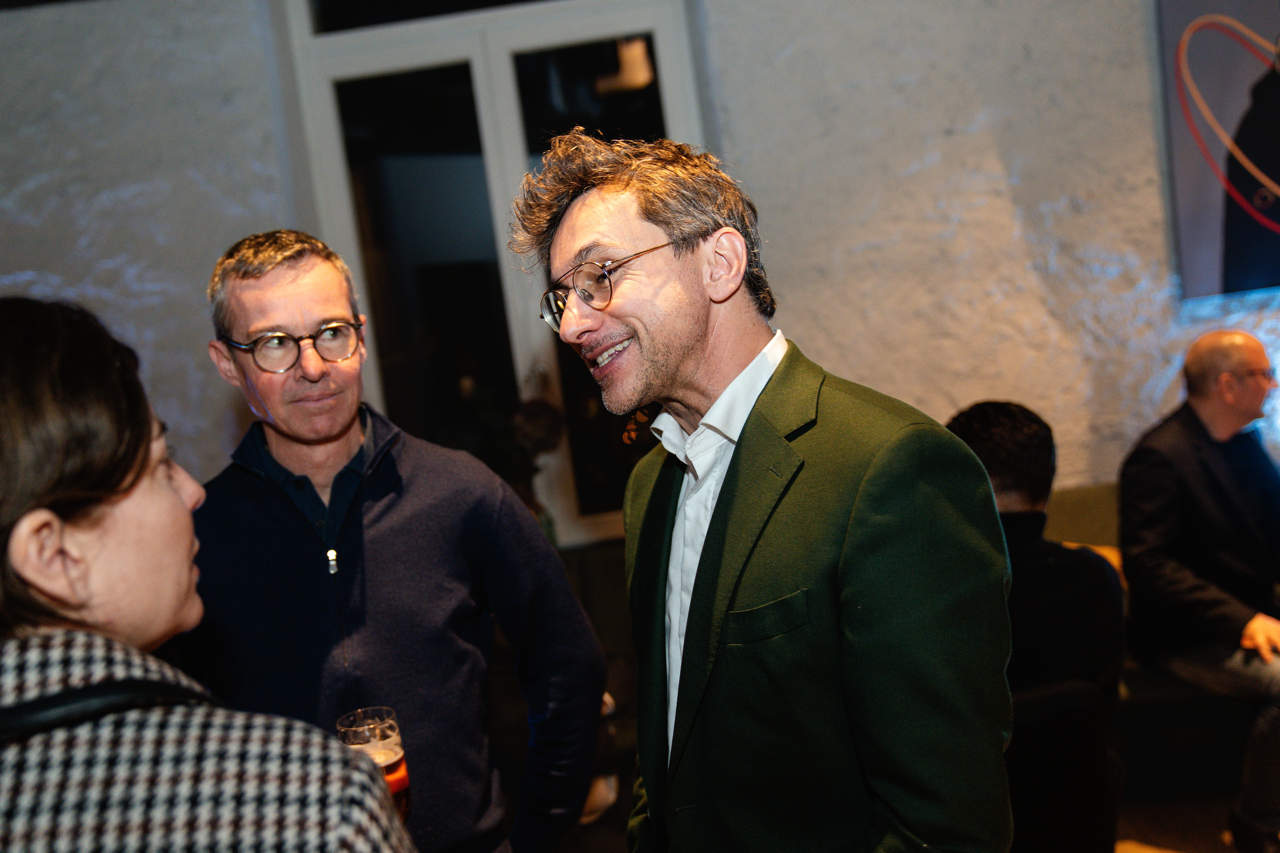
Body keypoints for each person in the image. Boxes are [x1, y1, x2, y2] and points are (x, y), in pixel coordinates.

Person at [509, 130, 1014, 853]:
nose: (572, 325)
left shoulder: (890, 469)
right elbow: (669, 745)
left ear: (719, 263)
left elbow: (945, 825)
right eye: (563, 298)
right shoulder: (651, 485)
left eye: (601, 276)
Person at [161, 229, 606, 853]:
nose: (313, 368)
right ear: (227, 363)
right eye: (274, 344)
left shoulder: (461, 493)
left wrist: (537, 833)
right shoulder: (196, 535)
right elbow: (167, 736)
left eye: (331, 333)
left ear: (361, 337)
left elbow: (568, 669)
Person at [0, 296, 413, 852]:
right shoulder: (314, 805)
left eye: (331, 334)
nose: (193, 491)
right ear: (52, 555)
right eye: (159, 465)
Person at [1120, 329, 1280, 853]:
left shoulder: (1245, 444)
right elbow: (1149, 567)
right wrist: (1243, 621)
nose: (1273, 384)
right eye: (1264, 373)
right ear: (1227, 385)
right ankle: (1255, 822)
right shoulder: (1160, 457)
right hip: (1183, 633)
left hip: (1254, 612)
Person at [948, 401, 1124, 853]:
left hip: (968, 817)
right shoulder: (1097, 577)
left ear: (960, 480)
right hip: (1076, 808)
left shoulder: (941, 584)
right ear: (1046, 484)